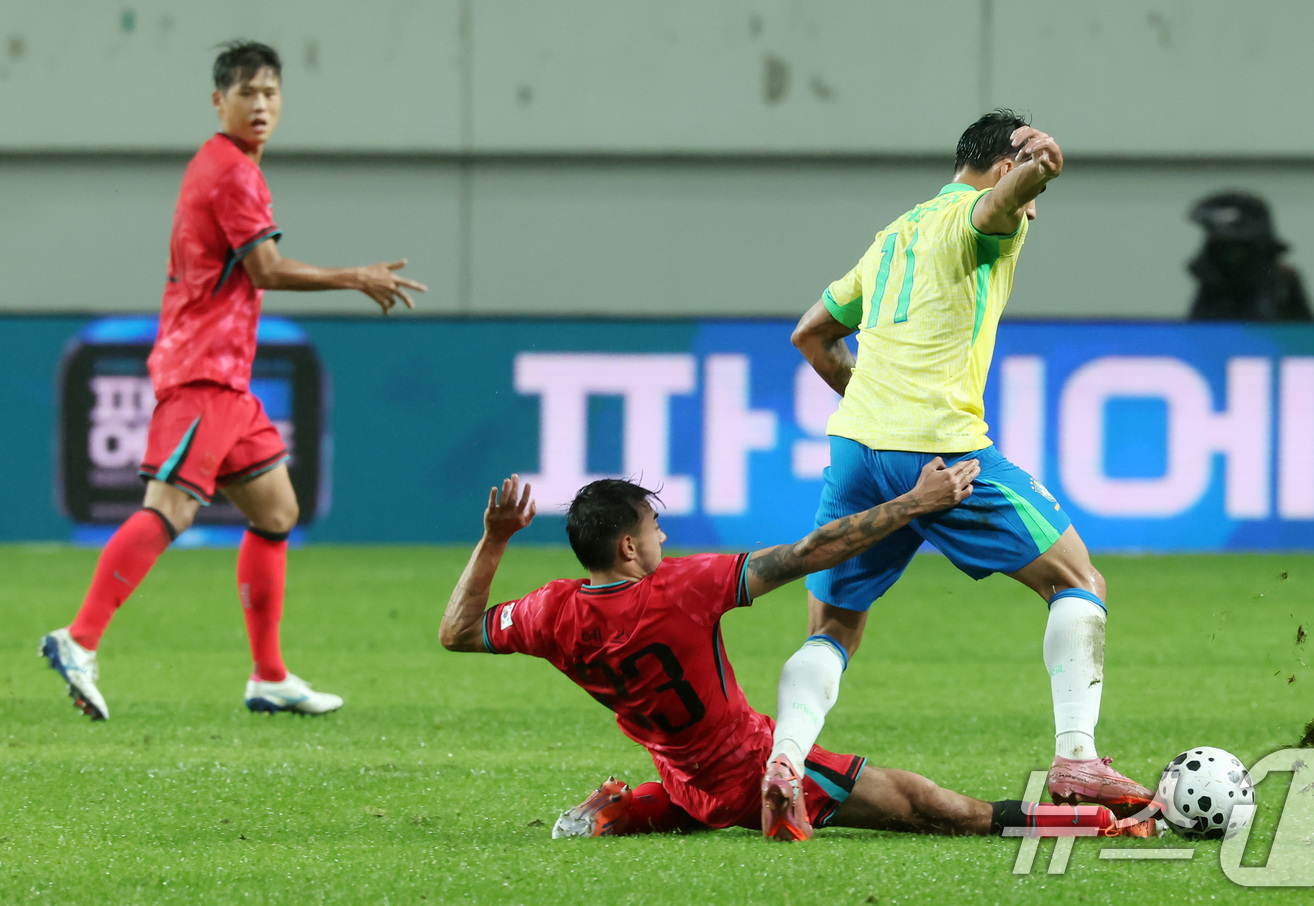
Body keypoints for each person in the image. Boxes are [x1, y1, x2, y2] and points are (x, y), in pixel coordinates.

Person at [764, 109, 1155, 833]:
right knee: (1077, 581)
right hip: (942, 451)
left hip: (856, 451)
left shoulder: (895, 236)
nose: (1033, 210)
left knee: (835, 625)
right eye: (1026, 188)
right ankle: (1077, 759)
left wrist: (875, 403)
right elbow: (998, 208)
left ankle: (785, 759)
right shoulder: (982, 218)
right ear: (1004, 167)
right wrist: (1044, 168)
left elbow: (811, 335)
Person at [438, 472, 1158, 841]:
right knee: (935, 809)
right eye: (654, 528)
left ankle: (615, 814)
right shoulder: (681, 589)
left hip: (683, 773)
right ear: (628, 546)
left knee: (698, 793)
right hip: (747, 768)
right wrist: (914, 503)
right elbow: (809, 553)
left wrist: (496, 538)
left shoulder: (549, 611)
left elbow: (459, 631)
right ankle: (1098, 823)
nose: (663, 537)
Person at [39, 41, 427, 721]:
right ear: (219, 101)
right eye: (246, 92)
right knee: (173, 508)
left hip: (226, 376)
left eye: (271, 93)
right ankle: (79, 639)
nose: (260, 105)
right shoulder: (231, 173)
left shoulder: (225, 166)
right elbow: (266, 270)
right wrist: (354, 275)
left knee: (276, 512)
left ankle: (269, 676)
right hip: (203, 372)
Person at [1186, 191, 1313, 321]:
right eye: (1221, 248)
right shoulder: (1212, 284)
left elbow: (1307, 335)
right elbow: (1198, 333)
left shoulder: (1283, 280)